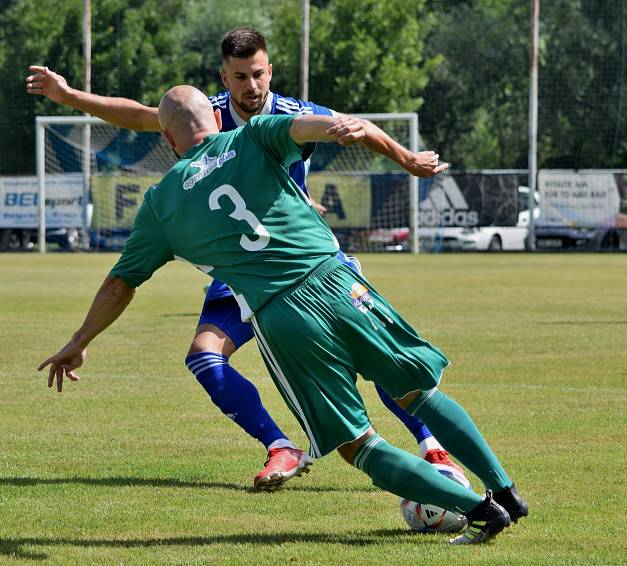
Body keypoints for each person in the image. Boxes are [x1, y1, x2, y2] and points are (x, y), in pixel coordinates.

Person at [38, 86, 528, 544]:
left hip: (284, 315)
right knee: (419, 392)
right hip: (342, 281)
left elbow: (120, 283)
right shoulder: (254, 133)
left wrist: (80, 340)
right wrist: (338, 129)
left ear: (167, 140)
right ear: (215, 115)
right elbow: (305, 127)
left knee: (356, 443)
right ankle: (506, 490)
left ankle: (482, 510)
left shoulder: (162, 203)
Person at [26, 26, 456, 490]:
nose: (250, 86)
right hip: (241, 272)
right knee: (204, 357)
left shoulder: (292, 114)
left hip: (303, 265)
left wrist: (406, 158)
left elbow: (355, 126)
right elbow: (142, 117)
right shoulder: (203, 115)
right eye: (239, 77)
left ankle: (430, 442)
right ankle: (280, 446)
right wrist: (68, 96)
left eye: (257, 75)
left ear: (269, 71)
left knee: (368, 351)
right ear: (224, 79)